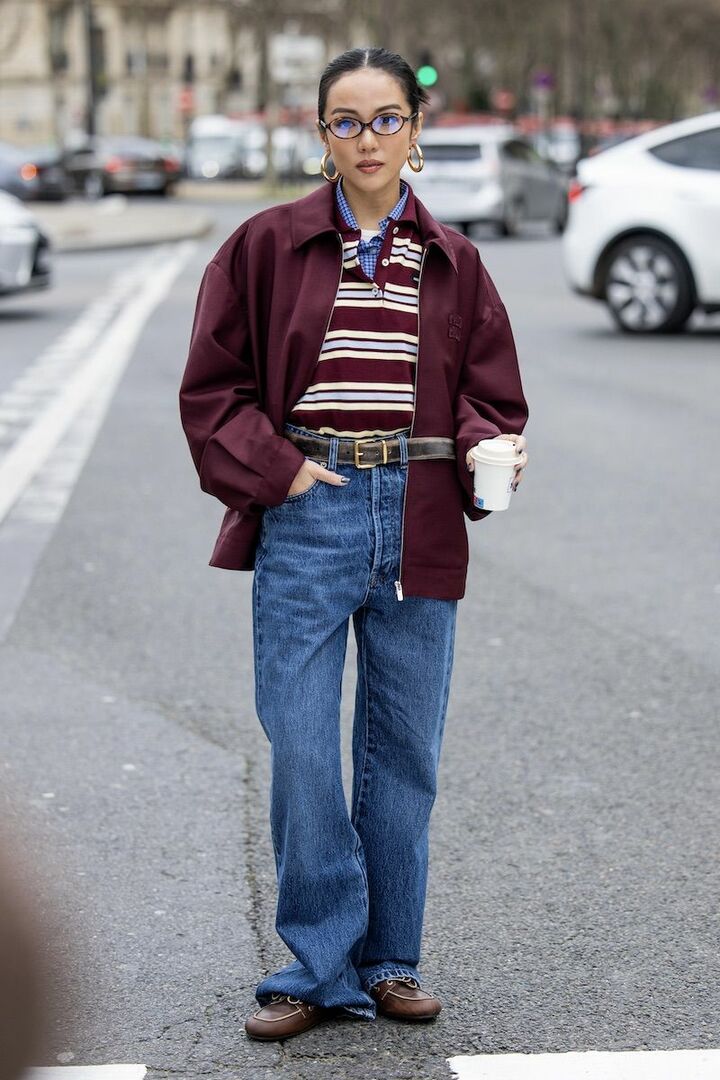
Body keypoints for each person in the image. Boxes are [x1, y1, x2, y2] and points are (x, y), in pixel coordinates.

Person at [179, 46, 529, 1042]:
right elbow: (213, 390)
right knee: (301, 746)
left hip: (420, 507)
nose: (367, 139)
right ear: (321, 134)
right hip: (310, 508)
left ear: (415, 130)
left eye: (385, 119)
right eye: (346, 120)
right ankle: (316, 963)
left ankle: (388, 961)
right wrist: (280, 471)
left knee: (403, 750)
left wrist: (493, 445)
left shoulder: (453, 259)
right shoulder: (264, 246)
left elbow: (490, 397)